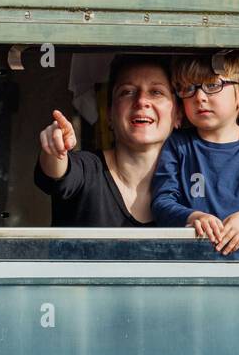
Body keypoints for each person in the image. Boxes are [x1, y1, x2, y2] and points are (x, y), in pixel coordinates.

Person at [151, 52, 239, 254]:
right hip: (191, 269)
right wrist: (192, 216)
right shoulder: (178, 145)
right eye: (188, 89)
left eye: (212, 86)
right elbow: (162, 202)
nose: (199, 97)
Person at [34, 55, 179, 226]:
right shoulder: (87, 169)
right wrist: (55, 148)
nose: (141, 101)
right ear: (109, 114)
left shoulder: (190, 181)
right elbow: (57, 174)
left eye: (156, 92)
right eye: (127, 92)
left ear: (178, 115)